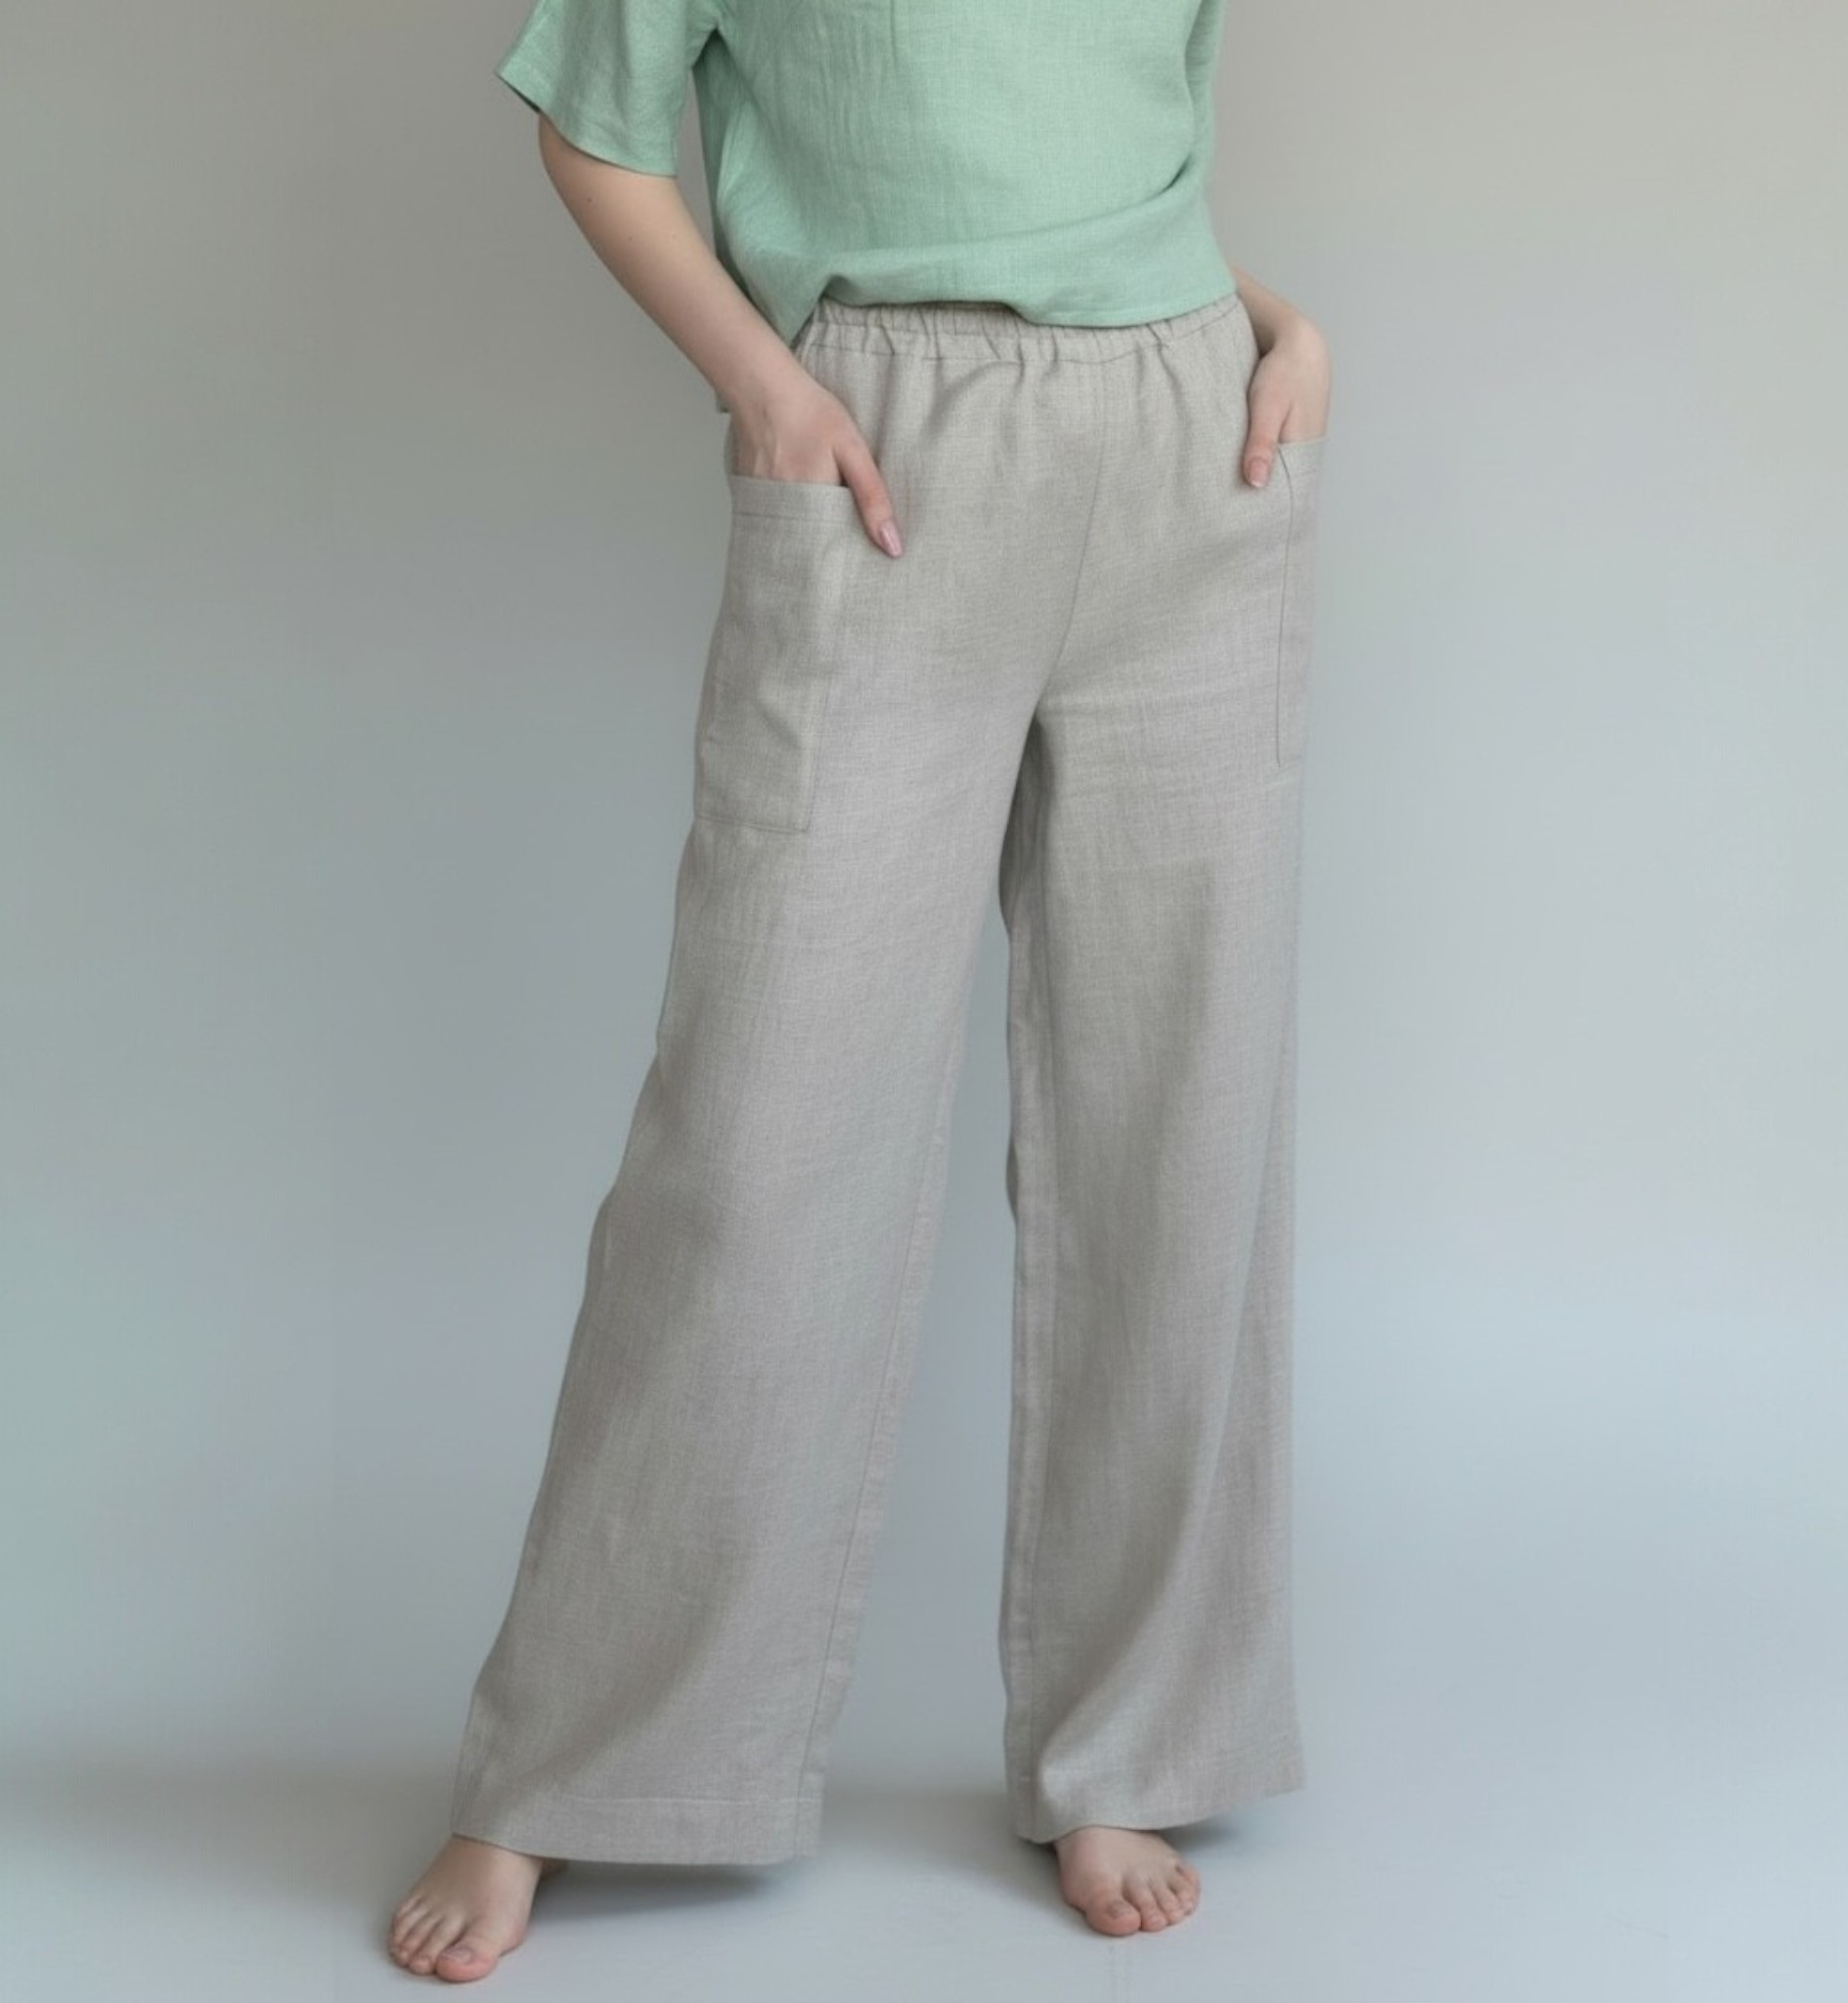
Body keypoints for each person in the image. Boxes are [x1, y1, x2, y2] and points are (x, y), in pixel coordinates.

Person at [388, 0, 1331, 1980]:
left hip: (1196, 439)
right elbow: (594, 125)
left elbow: (1113, 153)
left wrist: (1272, 320)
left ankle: (1135, 1743)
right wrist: (762, 382)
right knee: (759, 1136)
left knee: (1180, 1122)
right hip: (885, 441)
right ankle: (573, 1763)